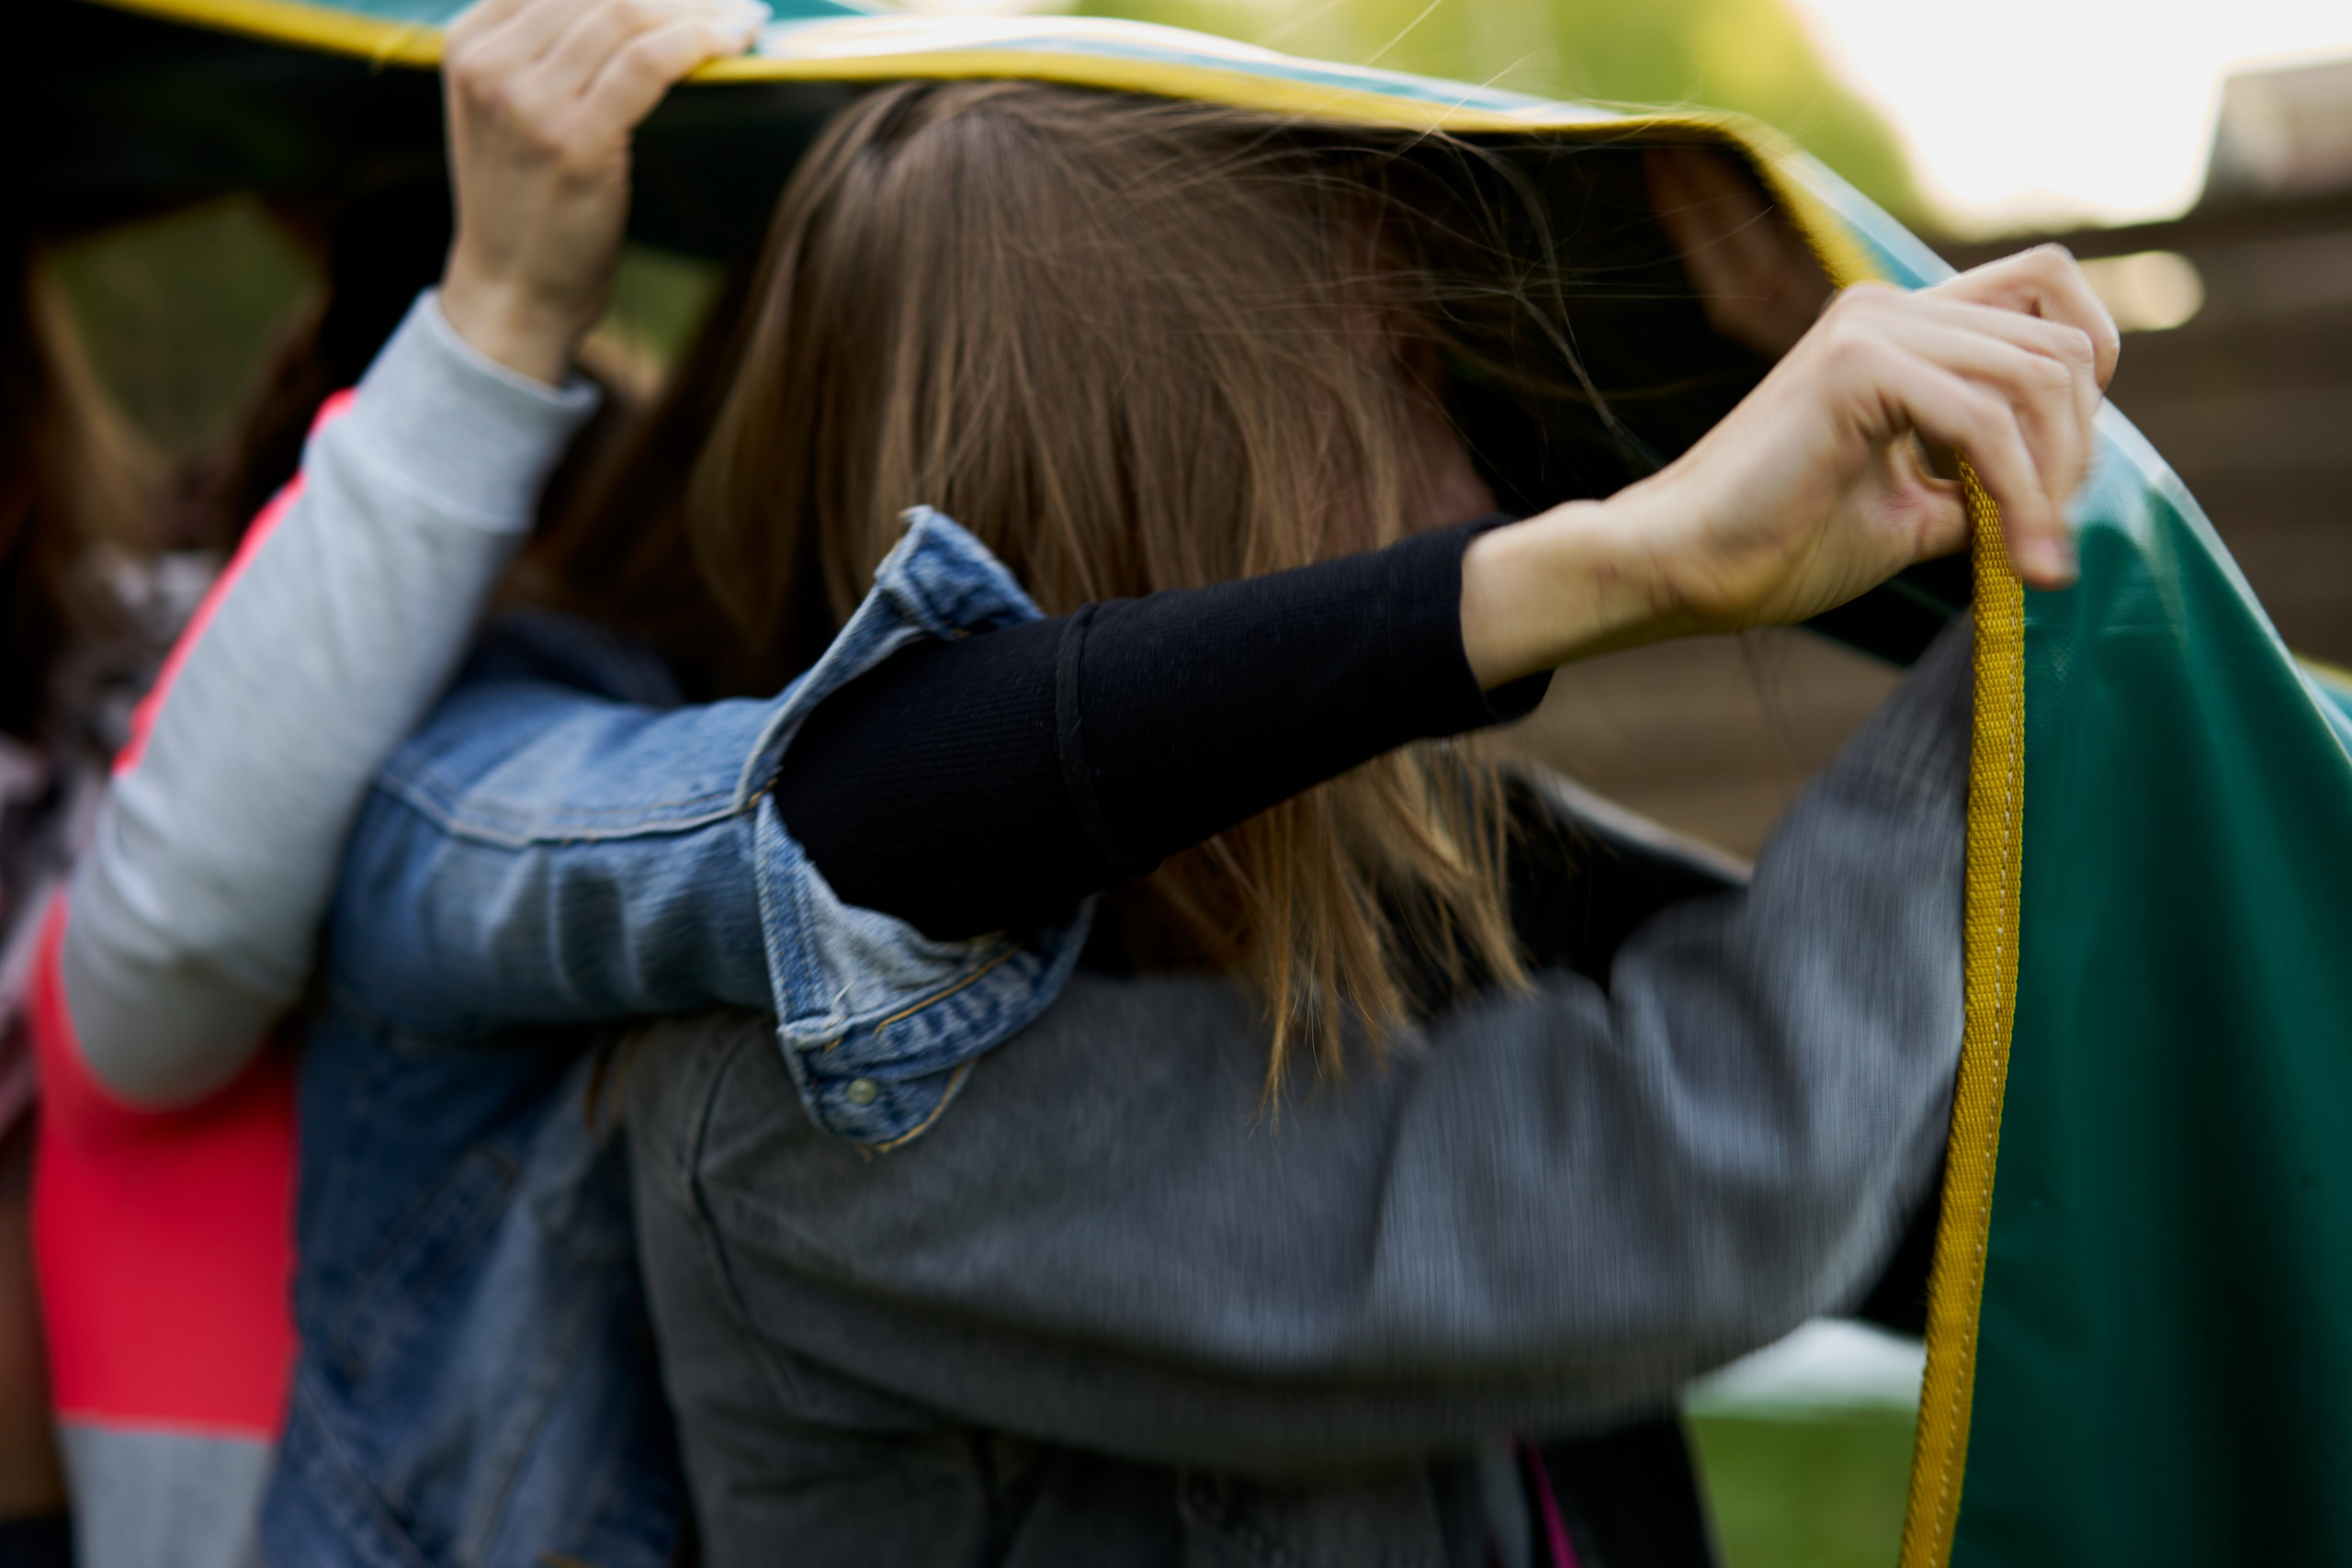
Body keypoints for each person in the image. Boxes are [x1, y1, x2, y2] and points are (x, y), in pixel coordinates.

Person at [252, 16, 2111, 1567]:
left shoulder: (1360, 867)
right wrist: (2052, 563)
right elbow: (1695, 1178)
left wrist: (1901, 417)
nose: (1475, 481)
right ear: (1186, 504)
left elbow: (1953, 1167)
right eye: (1392, 383)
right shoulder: (813, 1126)